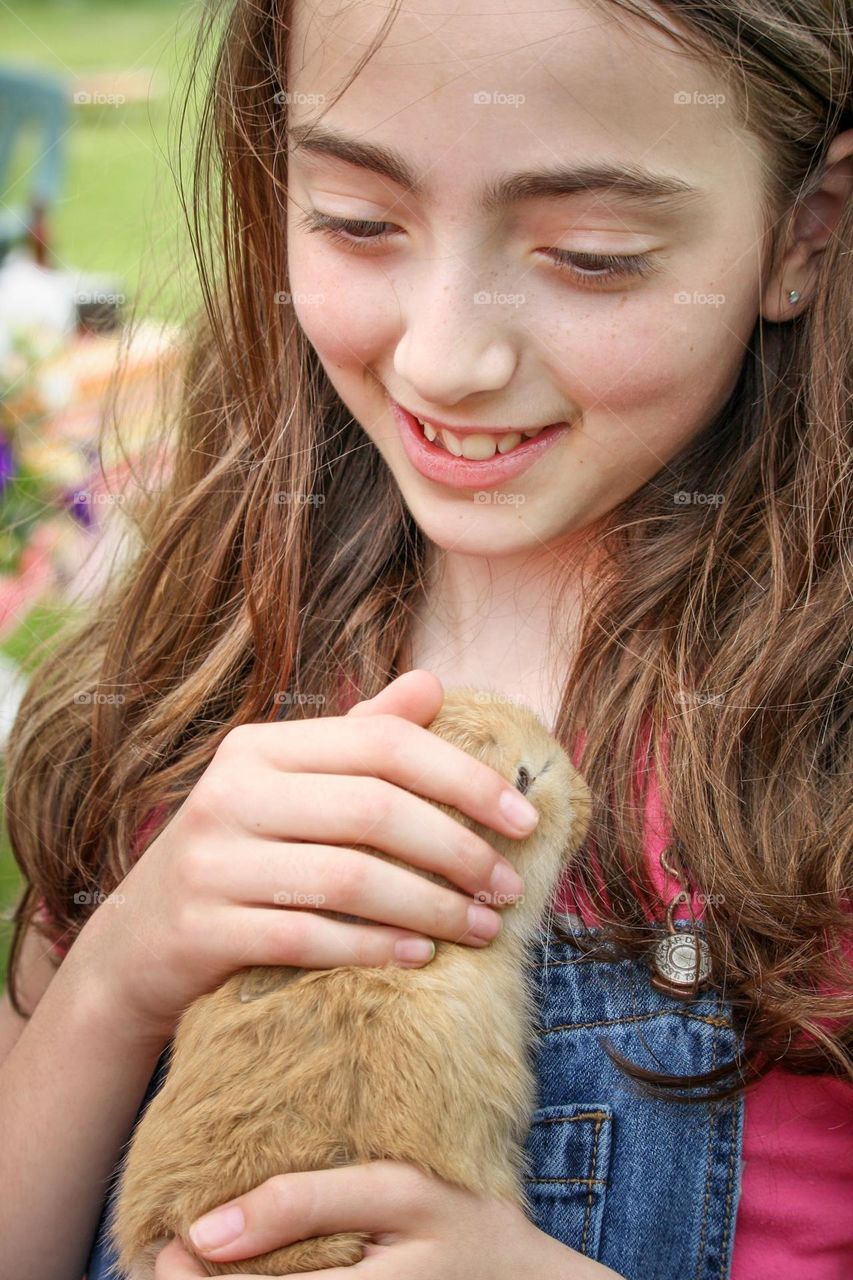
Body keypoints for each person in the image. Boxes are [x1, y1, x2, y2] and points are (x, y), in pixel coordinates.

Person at [1, 0, 851, 1277]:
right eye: (356, 221)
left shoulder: (820, 760)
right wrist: (118, 976)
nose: (447, 356)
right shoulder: (194, 671)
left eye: (592, 251)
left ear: (803, 233)